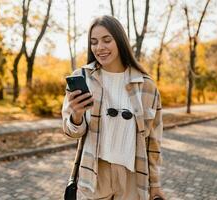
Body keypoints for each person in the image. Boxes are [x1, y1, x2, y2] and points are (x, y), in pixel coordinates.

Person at [62, 15, 165, 200]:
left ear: (120, 40)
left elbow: (154, 141)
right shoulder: (82, 77)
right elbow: (71, 132)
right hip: (93, 175)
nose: (99, 48)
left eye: (106, 40)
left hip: (132, 178)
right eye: (93, 42)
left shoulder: (146, 85)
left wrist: (155, 184)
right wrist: (76, 115)